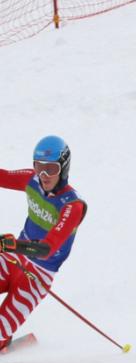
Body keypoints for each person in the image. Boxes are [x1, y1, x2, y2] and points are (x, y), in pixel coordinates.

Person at [0, 135, 86, 350]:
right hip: (13, 258)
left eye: (51, 169)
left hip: (38, 275)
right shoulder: (32, 180)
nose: (44, 175)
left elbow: (46, 249)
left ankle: (4, 341)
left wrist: (14, 245)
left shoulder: (72, 206)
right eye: (39, 167)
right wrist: (14, 250)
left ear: (64, 168)